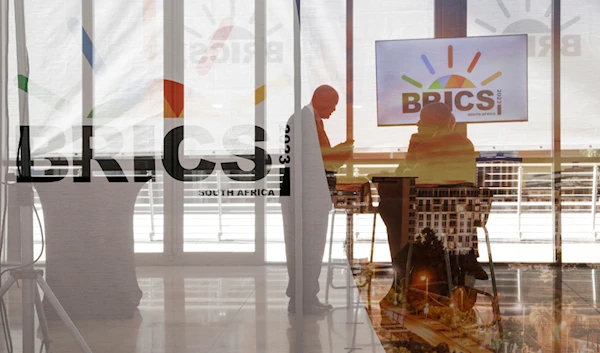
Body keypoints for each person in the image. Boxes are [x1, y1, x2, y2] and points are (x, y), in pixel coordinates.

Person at [280, 85, 353, 314]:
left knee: (305, 248)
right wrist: (342, 151)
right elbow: (319, 160)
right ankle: (305, 299)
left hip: (304, 193)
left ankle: (302, 298)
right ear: (320, 99)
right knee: (308, 248)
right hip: (305, 195)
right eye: (332, 105)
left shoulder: (308, 119)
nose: (333, 111)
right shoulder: (303, 120)